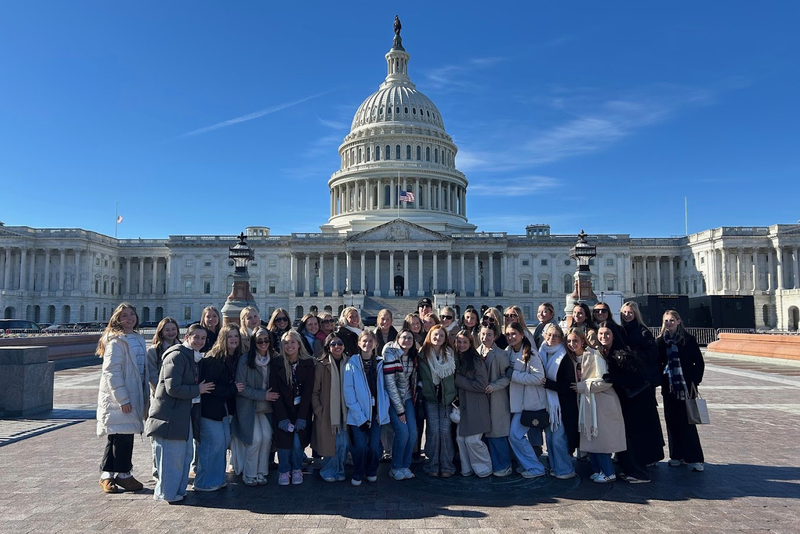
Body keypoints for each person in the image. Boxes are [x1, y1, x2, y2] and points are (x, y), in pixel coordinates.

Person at [146, 325, 213, 502]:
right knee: (171, 457)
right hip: (170, 415)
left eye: (203, 338)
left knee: (184, 455)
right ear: (186, 337)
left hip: (182, 414)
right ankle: (167, 493)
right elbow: (172, 388)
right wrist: (197, 389)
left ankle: (175, 491)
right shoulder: (177, 355)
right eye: (196, 337)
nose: (199, 341)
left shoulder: (192, 357)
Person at [96, 302, 149, 493]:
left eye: (132, 314)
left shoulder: (136, 338)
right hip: (120, 396)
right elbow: (111, 372)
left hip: (133, 393)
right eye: (124, 315)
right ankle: (121, 474)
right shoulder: (116, 341)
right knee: (120, 436)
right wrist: (123, 399)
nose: (129, 318)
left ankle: (111, 474)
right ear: (117, 319)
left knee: (121, 435)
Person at [601, 324, 664, 483]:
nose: (603, 337)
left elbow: (634, 378)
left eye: (607, 334)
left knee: (634, 439)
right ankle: (630, 469)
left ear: (614, 335)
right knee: (627, 437)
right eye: (601, 334)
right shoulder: (608, 353)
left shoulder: (621, 354)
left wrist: (612, 379)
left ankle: (640, 473)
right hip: (628, 401)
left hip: (637, 402)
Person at [572, 327, 626, 483]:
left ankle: (608, 472)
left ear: (583, 341)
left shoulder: (594, 355)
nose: (572, 344)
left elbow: (605, 381)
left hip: (600, 402)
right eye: (569, 341)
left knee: (600, 440)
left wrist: (583, 386)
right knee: (591, 439)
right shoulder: (574, 358)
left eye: (575, 340)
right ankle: (598, 470)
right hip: (588, 402)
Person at [193, 324, 244, 492]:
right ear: (223, 338)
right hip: (210, 410)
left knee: (221, 444)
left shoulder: (233, 358)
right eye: (230, 336)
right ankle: (204, 482)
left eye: (236, 336)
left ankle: (217, 479)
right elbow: (210, 387)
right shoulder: (214, 358)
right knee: (211, 445)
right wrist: (233, 389)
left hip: (221, 410)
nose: (234, 339)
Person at [657, 310, 705, 472]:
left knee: (688, 422)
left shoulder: (688, 339)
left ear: (678, 321)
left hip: (686, 386)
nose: (669, 323)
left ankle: (695, 458)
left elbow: (698, 363)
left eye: (672, 320)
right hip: (669, 387)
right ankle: (676, 455)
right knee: (672, 422)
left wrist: (694, 380)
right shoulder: (661, 341)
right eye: (666, 321)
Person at [232, 327, 279, 486]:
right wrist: (262, 395)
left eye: (266, 340)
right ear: (254, 342)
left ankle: (261, 472)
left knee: (266, 438)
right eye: (259, 340)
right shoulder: (245, 360)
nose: (263, 343)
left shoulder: (275, 358)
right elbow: (241, 387)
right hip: (248, 406)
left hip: (266, 408)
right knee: (255, 439)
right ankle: (249, 473)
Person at [344, 330, 390, 485]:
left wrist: (382, 411)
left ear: (376, 344)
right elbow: (349, 392)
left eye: (371, 341)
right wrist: (360, 417)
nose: (367, 344)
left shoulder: (380, 363)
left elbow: (385, 390)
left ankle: (371, 469)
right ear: (358, 343)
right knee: (361, 446)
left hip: (376, 413)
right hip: (358, 414)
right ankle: (358, 471)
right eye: (364, 341)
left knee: (375, 447)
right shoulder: (352, 363)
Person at [270, 330, 315, 485]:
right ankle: (284, 470)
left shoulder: (308, 363)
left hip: (301, 410)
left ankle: (296, 469)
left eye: (292, 342)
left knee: (296, 443)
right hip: (283, 410)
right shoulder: (276, 363)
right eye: (286, 343)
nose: (289, 346)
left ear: (299, 344)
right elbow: (275, 391)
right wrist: (282, 417)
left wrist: (302, 417)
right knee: (283, 444)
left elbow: (308, 392)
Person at [505, 322, 547, 478]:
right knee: (515, 436)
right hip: (517, 403)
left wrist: (513, 375)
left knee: (515, 435)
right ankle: (529, 465)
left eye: (514, 334)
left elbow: (539, 377)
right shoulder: (507, 352)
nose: (511, 337)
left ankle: (535, 468)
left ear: (522, 334)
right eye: (508, 334)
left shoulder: (532, 354)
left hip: (530, 403)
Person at [417, 324, 457, 477]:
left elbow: (455, 374)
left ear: (445, 338)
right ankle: (432, 464)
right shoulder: (422, 354)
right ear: (430, 335)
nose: (438, 338)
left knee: (445, 431)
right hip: (431, 397)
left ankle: (447, 465)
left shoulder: (450, 354)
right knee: (433, 431)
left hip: (447, 398)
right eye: (435, 334)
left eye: (441, 335)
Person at [539, 323, 577, 479]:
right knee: (549, 439)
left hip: (562, 405)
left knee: (558, 440)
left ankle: (566, 469)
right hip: (547, 404)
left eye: (555, 335)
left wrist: (547, 383)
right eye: (549, 334)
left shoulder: (564, 356)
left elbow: (568, 385)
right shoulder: (542, 351)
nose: (551, 338)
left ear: (561, 338)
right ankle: (556, 467)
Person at [453, 331, 492, 477]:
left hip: (476, 405)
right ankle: (467, 468)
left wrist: (458, 380)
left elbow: (482, 385)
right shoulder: (456, 358)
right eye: (459, 342)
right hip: (462, 405)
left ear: (470, 344)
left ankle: (484, 468)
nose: (461, 345)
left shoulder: (476, 360)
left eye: (465, 342)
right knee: (460, 438)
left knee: (473, 440)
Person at [312, 333, 350, 483]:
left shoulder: (349, 363)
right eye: (333, 344)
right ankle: (328, 470)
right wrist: (318, 410)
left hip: (345, 411)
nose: (337, 346)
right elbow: (314, 391)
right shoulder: (322, 365)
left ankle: (339, 469)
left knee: (344, 443)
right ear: (328, 347)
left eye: (339, 343)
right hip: (328, 412)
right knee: (331, 444)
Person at [382, 329, 418, 480]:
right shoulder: (390, 352)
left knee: (413, 434)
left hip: (407, 397)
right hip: (391, 399)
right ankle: (396, 466)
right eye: (404, 337)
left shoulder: (413, 354)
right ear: (398, 338)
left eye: (410, 338)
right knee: (403, 433)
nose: (407, 340)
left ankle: (405, 465)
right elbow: (390, 385)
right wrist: (400, 410)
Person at [476, 324, 512, 477]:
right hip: (482, 399)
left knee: (497, 433)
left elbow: (507, 377)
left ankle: (504, 465)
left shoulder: (501, 354)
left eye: (489, 334)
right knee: (485, 433)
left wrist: (494, 386)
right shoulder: (477, 352)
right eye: (483, 334)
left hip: (497, 398)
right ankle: (490, 464)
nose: (485, 338)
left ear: (495, 336)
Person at [620, 301, 661, 393]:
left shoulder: (643, 331)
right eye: (624, 312)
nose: (626, 315)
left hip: (644, 377)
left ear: (635, 314)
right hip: (629, 376)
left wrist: (633, 354)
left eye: (630, 312)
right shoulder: (621, 331)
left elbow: (654, 352)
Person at [147, 317, 181, 394]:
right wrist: (161, 392)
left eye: (173, 329)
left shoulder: (182, 348)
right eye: (167, 330)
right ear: (161, 331)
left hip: (179, 394)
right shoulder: (153, 351)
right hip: (161, 394)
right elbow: (152, 376)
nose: (171, 332)